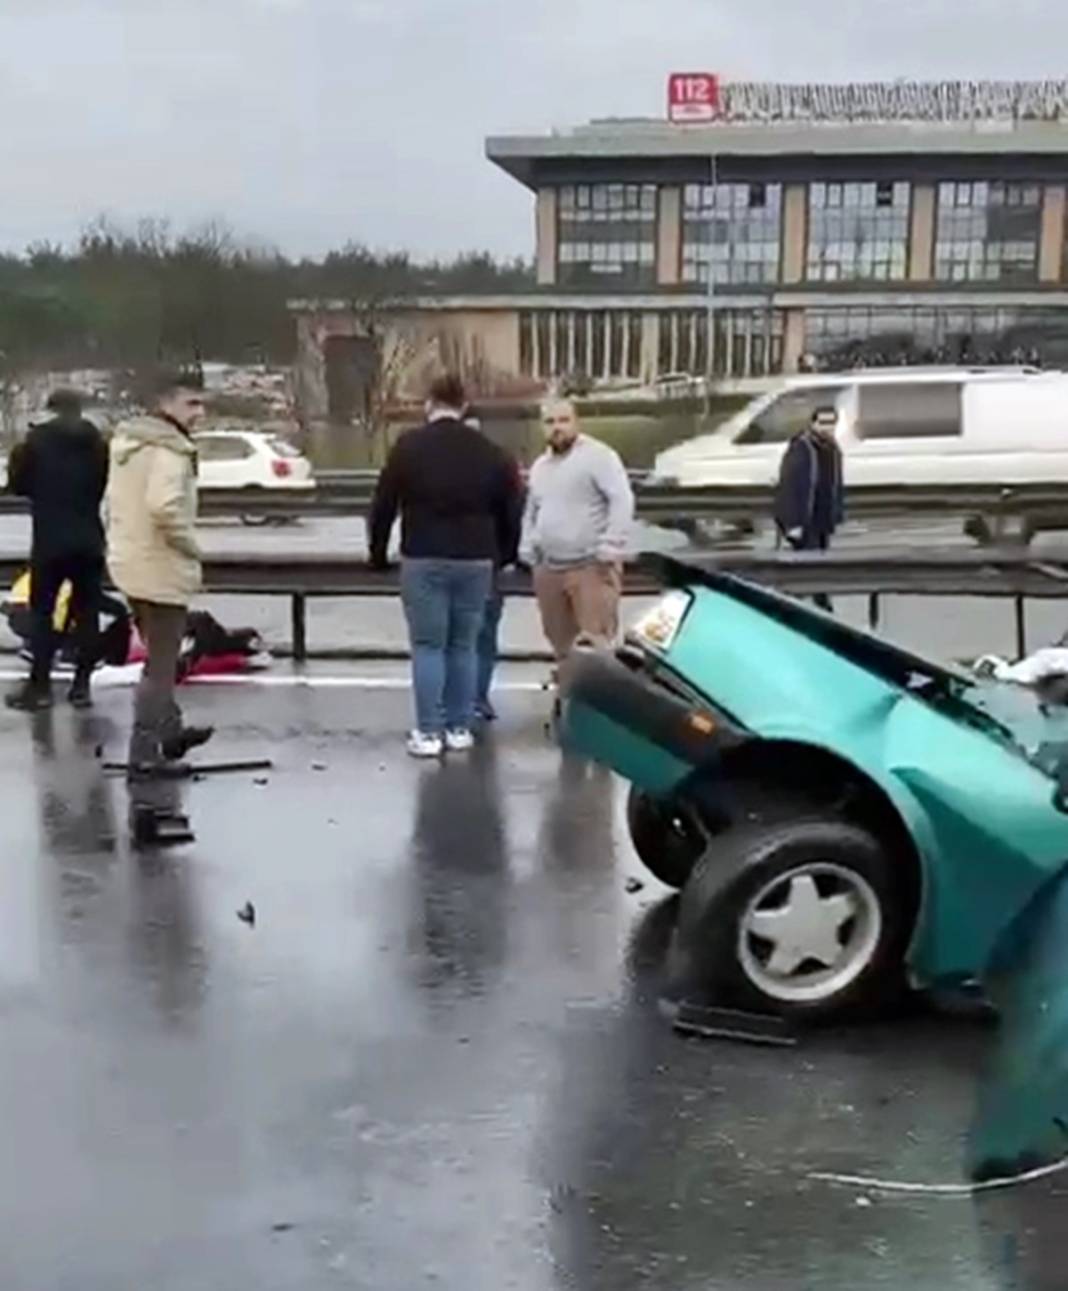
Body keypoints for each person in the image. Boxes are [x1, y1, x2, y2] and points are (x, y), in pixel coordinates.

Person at [369, 373, 523, 758]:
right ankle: (458, 728)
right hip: (475, 561)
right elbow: (511, 511)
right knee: (464, 646)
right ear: (464, 405)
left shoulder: (408, 447)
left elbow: (383, 505)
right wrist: (502, 555)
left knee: (428, 646)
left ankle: (428, 732)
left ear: (429, 404)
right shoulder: (492, 451)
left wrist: (377, 553)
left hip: (424, 556)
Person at [105, 368, 213, 770]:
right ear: (164, 404)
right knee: (162, 665)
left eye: (201, 403)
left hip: (130, 562)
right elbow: (165, 507)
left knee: (158, 654)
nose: (199, 412)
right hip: (160, 567)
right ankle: (147, 751)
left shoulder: (129, 444)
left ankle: (169, 732)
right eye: (191, 403)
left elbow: (109, 505)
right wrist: (191, 547)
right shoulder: (170, 450)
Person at [5, 389, 109, 711]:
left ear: (52, 409)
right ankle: (81, 688)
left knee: (42, 612)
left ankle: (40, 688)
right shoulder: (98, 443)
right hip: (90, 538)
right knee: (88, 613)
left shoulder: (36, 442)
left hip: (50, 539)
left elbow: (19, 484)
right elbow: (102, 484)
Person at [523, 398, 634, 666]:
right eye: (550, 422)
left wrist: (611, 544)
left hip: (590, 566)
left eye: (563, 420)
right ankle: (567, 700)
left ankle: (600, 704)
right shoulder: (540, 466)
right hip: (549, 568)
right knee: (560, 645)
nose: (557, 428)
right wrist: (527, 544)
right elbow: (532, 509)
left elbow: (622, 499)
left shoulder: (599, 457)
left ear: (576, 423)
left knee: (597, 644)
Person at [774, 404, 845, 612]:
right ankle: (810, 610)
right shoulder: (802, 447)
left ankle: (817, 608)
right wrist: (792, 523)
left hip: (822, 520)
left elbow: (835, 484)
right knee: (808, 572)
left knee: (816, 571)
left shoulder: (832, 448)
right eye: (823, 423)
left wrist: (836, 515)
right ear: (813, 423)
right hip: (805, 520)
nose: (827, 427)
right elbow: (789, 486)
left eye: (831, 423)